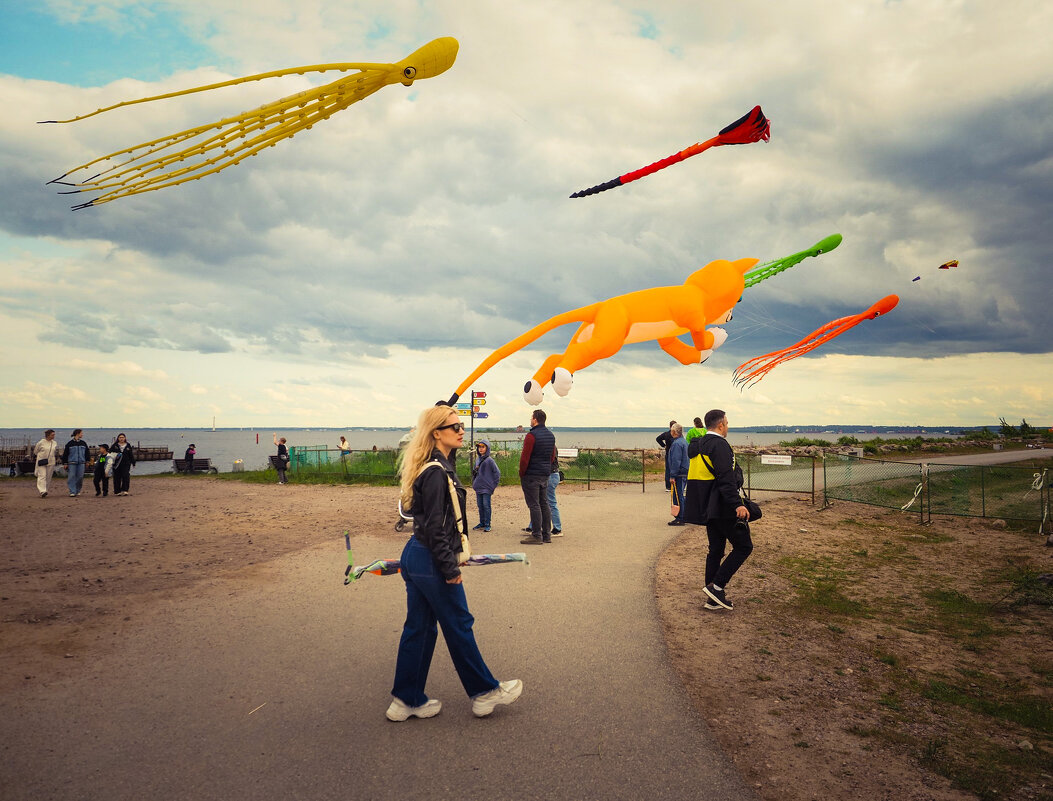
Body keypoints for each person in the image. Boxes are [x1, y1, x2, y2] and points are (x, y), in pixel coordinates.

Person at [388, 405, 522, 721]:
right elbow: (436, 526)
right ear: (437, 433)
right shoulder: (435, 472)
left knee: (419, 629)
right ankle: (485, 692)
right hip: (430, 559)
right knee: (459, 624)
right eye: (454, 427)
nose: (461, 431)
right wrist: (449, 568)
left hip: (417, 556)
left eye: (461, 425)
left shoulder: (434, 466)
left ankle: (405, 701)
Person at [683, 409, 752, 611]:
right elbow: (725, 478)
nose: (728, 427)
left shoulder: (697, 445)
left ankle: (712, 599)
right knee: (744, 547)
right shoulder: (719, 445)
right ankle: (717, 587)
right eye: (727, 423)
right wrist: (737, 504)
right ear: (720, 425)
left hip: (706, 506)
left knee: (715, 550)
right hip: (722, 506)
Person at [519, 409, 556, 545]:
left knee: (534, 505)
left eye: (531, 418)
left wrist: (522, 472)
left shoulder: (531, 436)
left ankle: (536, 535)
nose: (530, 420)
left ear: (535, 419)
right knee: (544, 503)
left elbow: (525, 458)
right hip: (544, 474)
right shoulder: (551, 436)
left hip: (531, 474)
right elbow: (552, 456)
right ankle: (547, 535)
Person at [471, 439, 500, 532]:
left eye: (483, 447)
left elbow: (497, 473)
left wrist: (493, 485)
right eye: (479, 447)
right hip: (478, 486)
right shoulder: (478, 460)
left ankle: (488, 524)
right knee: (480, 505)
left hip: (487, 488)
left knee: (486, 505)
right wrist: (474, 483)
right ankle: (482, 522)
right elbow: (475, 473)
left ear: (487, 448)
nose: (481, 449)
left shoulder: (489, 461)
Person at [666, 423, 689, 526]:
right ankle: (683, 516)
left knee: (677, 495)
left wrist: (672, 475)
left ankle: (680, 517)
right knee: (680, 494)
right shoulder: (684, 442)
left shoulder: (676, 444)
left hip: (679, 473)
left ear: (674, 432)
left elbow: (676, 461)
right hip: (685, 471)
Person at [61, 429, 90, 497]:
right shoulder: (69, 444)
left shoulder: (83, 443)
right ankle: (72, 491)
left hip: (81, 462)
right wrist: (65, 463)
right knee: (71, 477)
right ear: (77, 434)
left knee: (80, 477)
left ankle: (78, 490)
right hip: (72, 463)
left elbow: (87, 453)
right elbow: (65, 454)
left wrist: (87, 461)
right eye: (81, 433)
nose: (82, 434)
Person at [33, 429, 60, 498]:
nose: (54, 436)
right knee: (42, 476)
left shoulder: (54, 443)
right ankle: (42, 490)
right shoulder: (41, 442)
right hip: (41, 461)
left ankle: (45, 490)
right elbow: (36, 451)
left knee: (48, 477)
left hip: (51, 462)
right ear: (48, 435)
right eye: (52, 435)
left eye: (54, 434)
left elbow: (55, 451)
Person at [656, 421, 677, 491]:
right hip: (675, 453)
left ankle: (668, 486)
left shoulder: (666, 434)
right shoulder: (677, 435)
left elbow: (658, 439)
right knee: (675, 469)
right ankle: (676, 485)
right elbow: (658, 439)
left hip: (668, 452)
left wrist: (664, 445)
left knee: (668, 469)